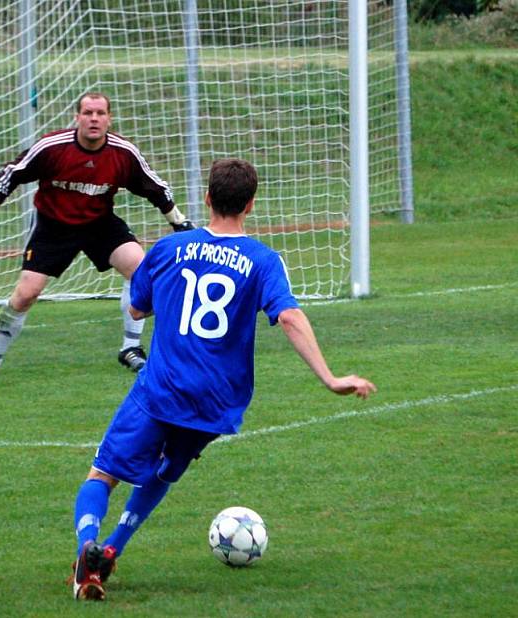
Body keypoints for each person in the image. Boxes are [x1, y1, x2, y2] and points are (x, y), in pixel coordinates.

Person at [69, 158, 377, 601]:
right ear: (250, 205)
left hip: (162, 390)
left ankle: (87, 551)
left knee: (102, 475)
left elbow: (137, 309)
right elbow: (288, 315)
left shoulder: (170, 249)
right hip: (215, 404)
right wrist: (329, 377)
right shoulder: (262, 260)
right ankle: (113, 548)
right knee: (163, 473)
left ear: (208, 198)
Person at [0, 92, 194, 377]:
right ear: (77, 118)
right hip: (53, 226)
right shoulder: (52, 147)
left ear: (109, 119)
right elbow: (11, 173)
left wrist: (179, 223)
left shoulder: (122, 153)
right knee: (25, 295)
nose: (94, 119)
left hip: (100, 223)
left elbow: (155, 188)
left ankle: (130, 348)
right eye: (88, 113)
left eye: (100, 113)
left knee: (142, 272)